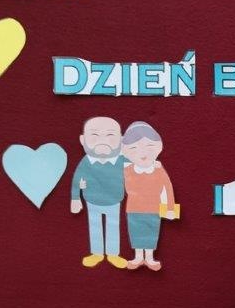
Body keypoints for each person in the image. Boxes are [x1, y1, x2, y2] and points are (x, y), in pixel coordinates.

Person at [70, 116, 128, 268]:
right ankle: (97, 253)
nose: (103, 141)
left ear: (121, 140)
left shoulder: (122, 160)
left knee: (113, 226)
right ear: (83, 140)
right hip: (91, 200)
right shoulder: (86, 161)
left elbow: (136, 171)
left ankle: (113, 254)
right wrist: (75, 198)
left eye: (110, 135)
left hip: (114, 199)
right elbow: (77, 179)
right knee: (94, 225)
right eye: (94, 135)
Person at [122, 121, 177, 271]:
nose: (142, 153)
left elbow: (167, 189)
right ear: (126, 151)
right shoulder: (127, 170)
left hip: (154, 209)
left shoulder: (159, 170)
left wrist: (170, 208)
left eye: (149, 146)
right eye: (134, 148)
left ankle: (150, 258)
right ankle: (138, 257)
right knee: (135, 232)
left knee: (152, 232)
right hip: (133, 209)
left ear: (158, 147)